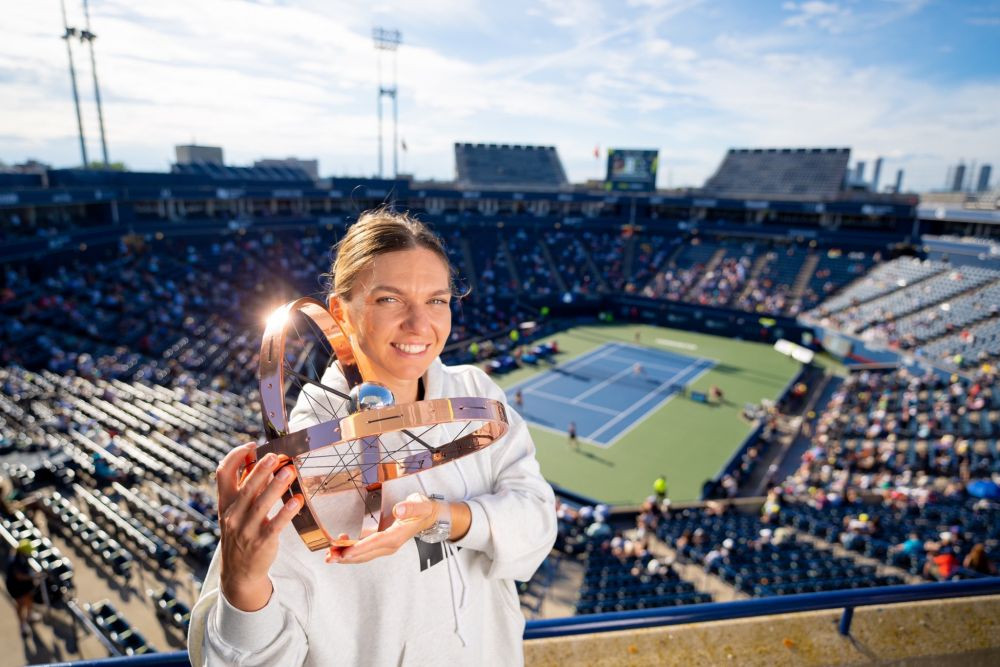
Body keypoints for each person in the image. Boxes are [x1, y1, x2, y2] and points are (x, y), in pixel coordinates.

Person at [189, 210, 557, 666]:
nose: (419, 324)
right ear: (339, 312)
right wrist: (242, 582)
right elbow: (240, 661)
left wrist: (442, 518)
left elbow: (538, 523)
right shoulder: (298, 462)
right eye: (389, 299)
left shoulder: (475, 392)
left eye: (437, 300)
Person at [5, 539, 41, 637]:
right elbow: (19, 576)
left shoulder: (21, 556)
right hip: (16, 587)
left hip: (25, 586)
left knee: (29, 600)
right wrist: (33, 576)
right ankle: (23, 625)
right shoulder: (15, 561)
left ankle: (29, 616)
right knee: (20, 605)